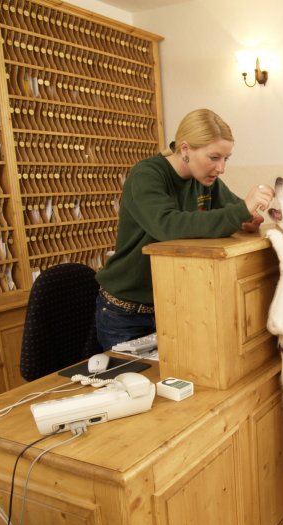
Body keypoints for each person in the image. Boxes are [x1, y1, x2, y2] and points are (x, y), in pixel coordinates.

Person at [95, 108, 273, 349]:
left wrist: (248, 220)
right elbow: (168, 226)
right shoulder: (146, 175)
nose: (221, 168)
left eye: (226, 159)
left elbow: (235, 211)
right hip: (127, 314)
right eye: (214, 157)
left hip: (173, 307)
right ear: (186, 149)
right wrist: (240, 211)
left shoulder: (206, 181)